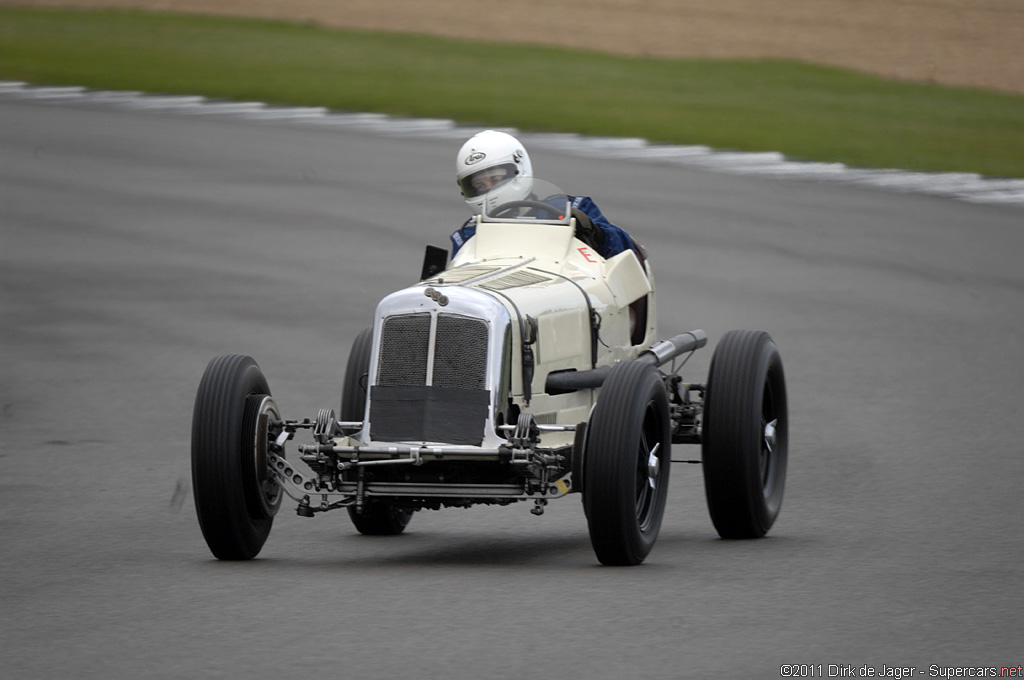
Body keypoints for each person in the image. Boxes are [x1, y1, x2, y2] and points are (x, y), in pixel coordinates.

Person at [450, 130, 636, 260]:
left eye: (496, 179)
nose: (489, 189)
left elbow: (626, 254)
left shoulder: (572, 210)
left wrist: (594, 233)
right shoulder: (470, 236)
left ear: (518, 170)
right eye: (480, 186)